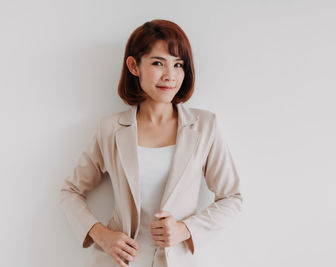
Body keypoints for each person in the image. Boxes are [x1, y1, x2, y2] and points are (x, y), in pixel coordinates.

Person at [60, 19, 243, 267]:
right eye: (158, 63)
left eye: (178, 65)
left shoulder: (204, 126)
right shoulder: (110, 129)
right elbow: (71, 192)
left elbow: (231, 197)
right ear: (134, 66)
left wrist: (184, 229)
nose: (170, 75)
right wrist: (102, 236)